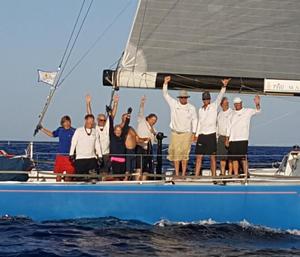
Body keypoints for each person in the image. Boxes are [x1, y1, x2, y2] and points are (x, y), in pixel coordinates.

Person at [163, 76, 198, 177]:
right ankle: (177, 173)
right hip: (175, 133)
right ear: (179, 98)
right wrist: (165, 83)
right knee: (175, 155)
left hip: (186, 133)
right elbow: (165, 95)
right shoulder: (174, 104)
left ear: (187, 98)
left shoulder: (191, 108)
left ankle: (183, 174)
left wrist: (194, 133)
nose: (183, 99)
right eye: (182, 97)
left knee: (185, 155)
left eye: (185, 97)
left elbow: (195, 120)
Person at [194, 78, 230, 177]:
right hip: (202, 135)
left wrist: (224, 86)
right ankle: (196, 176)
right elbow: (199, 122)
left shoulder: (214, 106)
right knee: (198, 157)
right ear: (202, 100)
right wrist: (196, 135)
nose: (206, 100)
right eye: (204, 99)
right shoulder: (200, 110)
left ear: (209, 99)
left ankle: (214, 176)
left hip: (211, 135)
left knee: (213, 157)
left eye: (207, 99)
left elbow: (220, 96)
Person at [225, 95, 261, 176]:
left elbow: (258, 111)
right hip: (232, 139)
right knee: (234, 159)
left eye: (239, 103)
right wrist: (227, 139)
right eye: (236, 104)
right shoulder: (231, 113)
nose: (237, 105)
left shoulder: (247, 111)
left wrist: (257, 103)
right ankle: (236, 175)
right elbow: (228, 127)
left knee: (243, 158)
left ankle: (246, 173)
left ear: (241, 103)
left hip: (243, 139)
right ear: (234, 105)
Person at [85, 94, 119, 174]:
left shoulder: (107, 127)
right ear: (97, 120)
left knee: (105, 173)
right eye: (100, 120)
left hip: (106, 154)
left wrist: (115, 103)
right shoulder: (95, 127)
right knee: (95, 173)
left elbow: (112, 116)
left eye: (104, 120)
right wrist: (88, 103)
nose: (102, 121)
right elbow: (89, 114)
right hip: (96, 154)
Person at [40, 116, 75, 181]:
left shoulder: (73, 131)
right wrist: (42, 129)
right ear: (62, 123)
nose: (67, 123)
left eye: (68, 121)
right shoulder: (60, 129)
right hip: (60, 156)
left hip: (69, 156)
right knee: (58, 175)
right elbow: (52, 134)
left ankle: (68, 189)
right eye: (65, 122)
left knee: (68, 176)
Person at [136, 96, 158, 180]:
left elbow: (156, 140)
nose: (153, 122)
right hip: (140, 146)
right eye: (152, 120)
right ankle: (137, 181)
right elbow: (140, 113)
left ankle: (144, 181)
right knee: (139, 166)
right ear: (148, 118)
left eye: (155, 121)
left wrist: (153, 132)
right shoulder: (142, 121)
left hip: (148, 150)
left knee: (146, 167)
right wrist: (142, 103)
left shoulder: (154, 129)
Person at [109, 108, 131, 178]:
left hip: (122, 160)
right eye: (117, 130)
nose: (118, 132)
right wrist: (110, 114)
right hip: (114, 160)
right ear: (114, 131)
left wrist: (128, 115)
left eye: (119, 130)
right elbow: (111, 124)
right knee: (115, 176)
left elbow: (126, 125)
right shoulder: (112, 136)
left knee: (121, 176)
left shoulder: (122, 136)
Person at [217, 97, 233, 175]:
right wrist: (217, 137)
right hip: (221, 137)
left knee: (230, 157)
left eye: (227, 103)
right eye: (225, 104)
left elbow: (230, 126)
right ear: (221, 105)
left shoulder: (231, 112)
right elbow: (217, 126)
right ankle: (222, 172)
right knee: (222, 157)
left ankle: (230, 173)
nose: (226, 105)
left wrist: (228, 138)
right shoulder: (219, 113)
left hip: (229, 137)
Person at [120, 111, 137, 178]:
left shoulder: (131, 128)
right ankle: (125, 179)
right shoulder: (120, 128)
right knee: (127, 168)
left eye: (129, 117)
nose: (127, 119)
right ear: (122, 118)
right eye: (126, 117)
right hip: (127, 150)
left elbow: (137, 137)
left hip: (134, 150)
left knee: (133, 168)